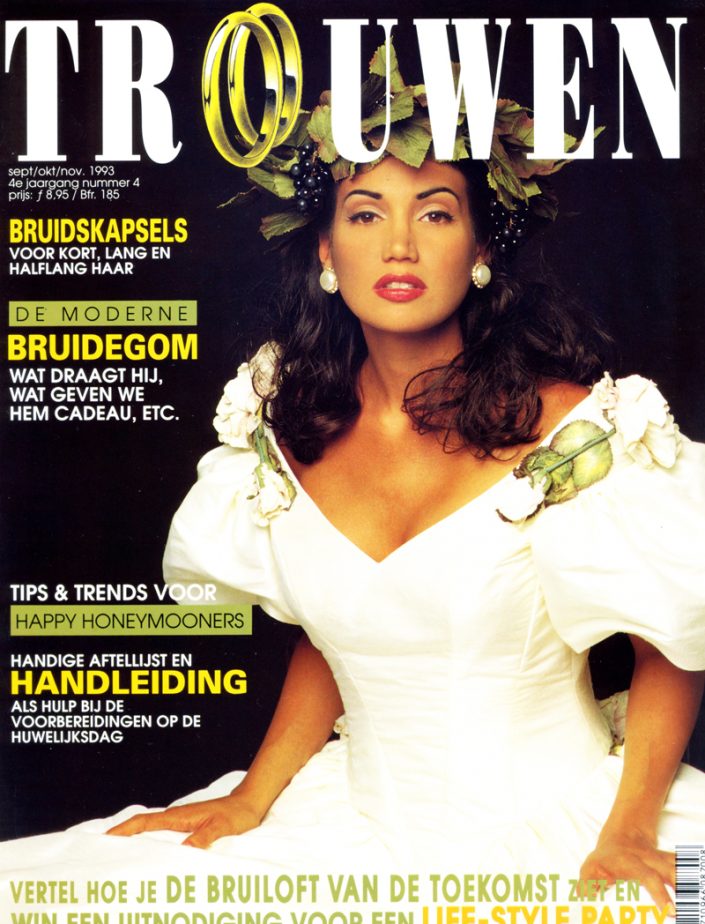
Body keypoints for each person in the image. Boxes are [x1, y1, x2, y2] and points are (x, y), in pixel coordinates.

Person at [2, 45, 704, 919]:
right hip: (352, 825)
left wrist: (627, 829)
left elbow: (668, 641)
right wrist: (251, 798)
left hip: (570, 828)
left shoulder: (579, 429)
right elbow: (345, 632)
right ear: (327, 251)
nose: (399, 244)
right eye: (366, 214)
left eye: (435, 213)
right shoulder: (283, 422)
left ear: (481, 246)